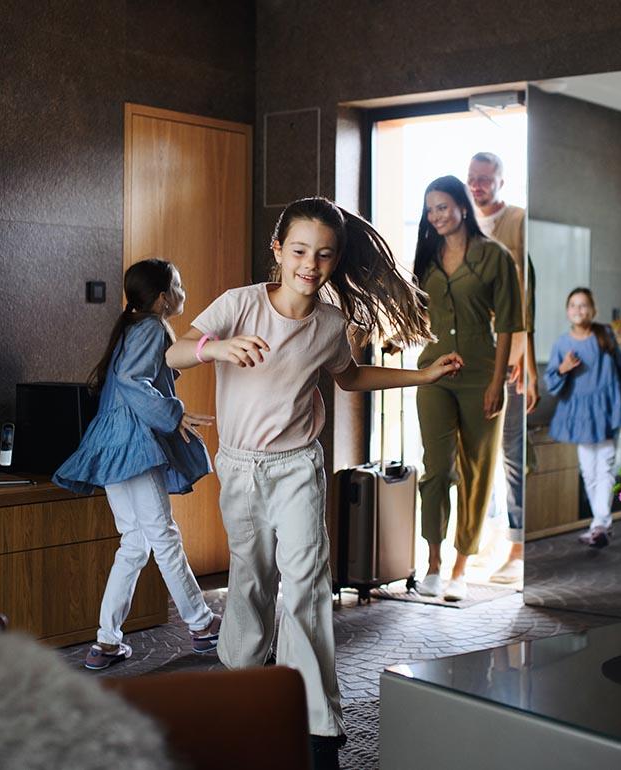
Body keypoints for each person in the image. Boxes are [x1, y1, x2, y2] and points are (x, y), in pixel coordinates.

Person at [164, 197, 462, 770]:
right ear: (278, 250)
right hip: (240, 467)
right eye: (299, 250)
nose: (310, 263)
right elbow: (175, 349)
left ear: (335, 260)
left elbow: (349, 378)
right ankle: (238, 694)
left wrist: (421, 374)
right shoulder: (240, 304)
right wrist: (216, 348)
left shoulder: (329, 324)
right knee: (250, 582)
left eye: (324, 254)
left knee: (306, 587)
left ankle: (319, 725)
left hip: (298, 466)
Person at [53, 258, 221, 670]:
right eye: (177, 286)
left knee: (134, 542)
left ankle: (106, 642)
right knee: (161, 536)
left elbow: (127, 382)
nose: (183, 292)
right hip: (130, 443)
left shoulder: (133, 326)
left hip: (113, 443)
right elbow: (132, 381)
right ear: (163, 298)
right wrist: (175, 413)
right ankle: (201, 626)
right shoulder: (150, 328)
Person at [413, 175, 523, 602]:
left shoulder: (495, 256)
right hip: (434, 374)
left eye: (442, 206)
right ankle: (434, 564)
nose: (435, 216)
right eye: (429, 210)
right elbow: (415, 310)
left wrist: (498, 382)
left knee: (477, 474)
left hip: (482, 377)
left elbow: (510, 323)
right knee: (437, 469)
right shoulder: (427, 256)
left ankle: (462, 566)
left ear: (461, 206)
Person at [466, 151, 539, 584]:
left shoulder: (518, 222)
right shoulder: (460, 224)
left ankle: (518, 545)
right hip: (470, 355)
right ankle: (485, 537)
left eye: (485, 180)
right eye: (472, 178)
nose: (477, 186)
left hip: (507, 355)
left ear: (501, 182)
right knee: (474, 452)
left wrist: (521, 361)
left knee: (511, 451)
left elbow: (524, 298)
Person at [544, 287, 621, 547]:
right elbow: (552, 378)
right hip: (581, 414)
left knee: (605, 466)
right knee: (588, 470)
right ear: (567, 311)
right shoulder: (562, 344)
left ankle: (600, 524)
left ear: (593, 310)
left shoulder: (604, 335)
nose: (578, 310)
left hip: (607, 409)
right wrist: (563, 368)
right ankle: (600, 524)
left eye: (583, 305)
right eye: (573, 305)